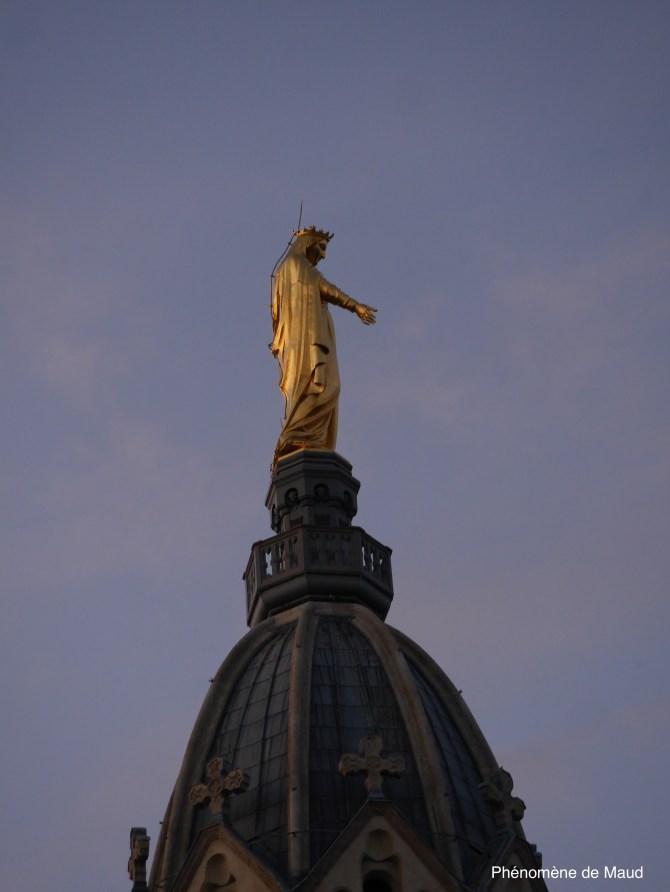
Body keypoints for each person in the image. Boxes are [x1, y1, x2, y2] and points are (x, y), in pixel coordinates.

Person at [270, 226, 376, 465]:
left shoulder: (285, 271)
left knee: (312, 387)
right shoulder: (299, 267)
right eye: (322, 247)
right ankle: (294, 435)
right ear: (308, 243)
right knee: (326, 386)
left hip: (298, 341)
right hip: (309, 340)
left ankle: (302, 436)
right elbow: (326, 288)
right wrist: (356, 306)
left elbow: (275, 314)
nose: (323, 256)